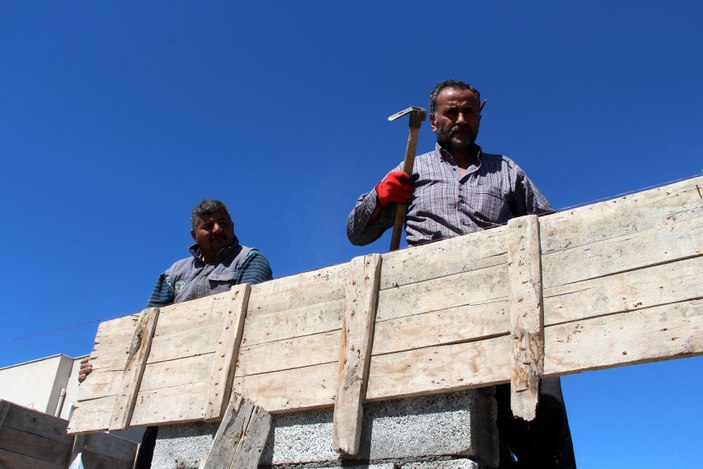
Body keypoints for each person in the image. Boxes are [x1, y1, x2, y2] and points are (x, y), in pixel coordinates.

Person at [347, 80, 575, 468]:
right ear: (433, 120)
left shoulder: (506, 170)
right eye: (451, 112)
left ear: (480, 115)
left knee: (541, 415)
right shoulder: (411, 169)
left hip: (503, 306)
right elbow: (357, 233)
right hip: (432, 309)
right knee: (472, 429)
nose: (461, 119)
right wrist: (380, 196)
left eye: (469, 111)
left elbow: (549, 229)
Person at [79, 199, 272, 468]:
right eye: (208, 226)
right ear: (194, 234)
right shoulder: (173, 273)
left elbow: (252, 317)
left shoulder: (250, 259)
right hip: (167, 394)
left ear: (232, 226)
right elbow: (144, 331)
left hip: (225, 388)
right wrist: (101, 368)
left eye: (223, 223)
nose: (218, 229)